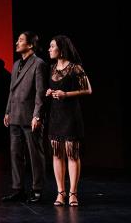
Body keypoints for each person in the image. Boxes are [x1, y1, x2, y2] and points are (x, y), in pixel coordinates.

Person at [46, 35, 92, 207]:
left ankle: (73, 193)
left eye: (52, 46)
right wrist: (50, 92)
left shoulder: (75, 68)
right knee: (57, 153)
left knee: (72, 153)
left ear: (61, 48)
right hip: (56, 115)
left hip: (71, 115)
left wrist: (67, 94)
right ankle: (60, 192)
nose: (49, 49)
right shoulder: (51, 68)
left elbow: (88, 90)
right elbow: (52, 88)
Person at [2, 31, 48, 204]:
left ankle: (37, 190)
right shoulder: (15, 65)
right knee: (15, 154)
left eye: (20, 40)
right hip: (15, 115)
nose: (16, 42)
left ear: (30, 45)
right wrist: (7, 111)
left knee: (34, 154)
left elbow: (40, 93)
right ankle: (18, 189)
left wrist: (37, 116)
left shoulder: (39, 64)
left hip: (30, 117)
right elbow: (12, 90)